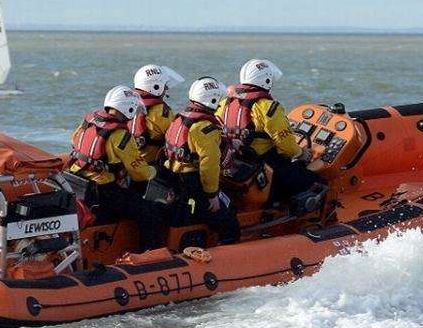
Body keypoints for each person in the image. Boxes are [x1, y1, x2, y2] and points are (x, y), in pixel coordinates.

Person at [69, 85, 164, 252]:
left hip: (76, 181)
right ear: (128, 108)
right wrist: (155, 171)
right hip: (104, 192)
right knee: (151, 212)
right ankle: (149, 255)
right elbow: (140, 173)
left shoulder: (88, 122)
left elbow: (74, 140)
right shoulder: (120, 135)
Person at [216, 59, 324, 207]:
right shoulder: (269, 108)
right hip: (265, 164)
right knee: (317, 182)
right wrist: (302, 154)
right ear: (266, 80)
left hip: (236, 162)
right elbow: (286, 144)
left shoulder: (224, 103)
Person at [164, 77, 240, 245]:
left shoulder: (180, 118)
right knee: (229, 219)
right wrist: (212, 194)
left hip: (173, 177)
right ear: (212, 99)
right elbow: (209, 165)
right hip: (193, 183)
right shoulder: (205, 127)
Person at [132, 64, 185, 164]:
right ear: (156, 86)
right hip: (149, 164)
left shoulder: (126, 103)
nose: (166, 89)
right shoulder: (162, 112)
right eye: (164, 85)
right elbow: (174, 138)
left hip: (127, 165)